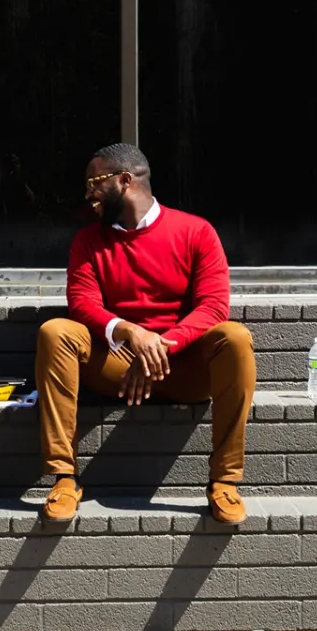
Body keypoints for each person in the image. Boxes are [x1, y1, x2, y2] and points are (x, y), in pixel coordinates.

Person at [34, 142, 255, 526]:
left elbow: (214, 307)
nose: (89, 197)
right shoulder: (88, 242)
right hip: (117, 366)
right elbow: (82, 304)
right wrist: (130, 333)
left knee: (234, 338)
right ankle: (64, 478)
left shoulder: (196, 231)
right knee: (56, 332)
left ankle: (224, 480)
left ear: (124, 181)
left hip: (181, 366)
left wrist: (160, 347)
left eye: (94, 184)